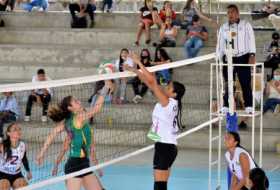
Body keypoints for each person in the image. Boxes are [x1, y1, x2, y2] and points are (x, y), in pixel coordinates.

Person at [125, 53, 185, 190]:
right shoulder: (172, 102)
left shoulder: (167, 102)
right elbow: (149, 83)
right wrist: (134, 70)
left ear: (174, 94)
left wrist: (138, 62)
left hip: (165, 147)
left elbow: (152, 80)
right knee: (161, 183)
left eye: (169, 88)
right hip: (168, 146)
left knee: (159, 184)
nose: (166, 88)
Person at [36, 81, 112, 190]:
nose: (79, 102)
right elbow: (96, 109)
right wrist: (106, 87)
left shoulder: (68, 121)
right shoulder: (78, 118)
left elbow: (51, 135)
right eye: (76, 102)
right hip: (75, 164)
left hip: (83, 163)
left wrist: (41, 153)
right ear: (70, 108)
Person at [216, 4, 256, 118]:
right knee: (228, 82)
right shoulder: (223, 27)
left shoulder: (246, 25)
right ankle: (226, 105)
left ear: (238, 13)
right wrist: (219, 58)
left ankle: (249, 105)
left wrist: (252, 54)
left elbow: (251, 39)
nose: (230, 14)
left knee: (245, 82)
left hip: (243, 57)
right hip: (228, 58)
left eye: (232, 12)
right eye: (228, 13)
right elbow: (221, 44)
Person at [0, 123, 32, 190]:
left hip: (17, 174)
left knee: (22, 186)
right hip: (2, 174)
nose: (18, 131)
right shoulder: (2, 145)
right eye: (15, 130)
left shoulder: (22, 145)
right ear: (8, 133)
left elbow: (24, 158)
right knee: (4, 185)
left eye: (19, 129)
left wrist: (28, 171)